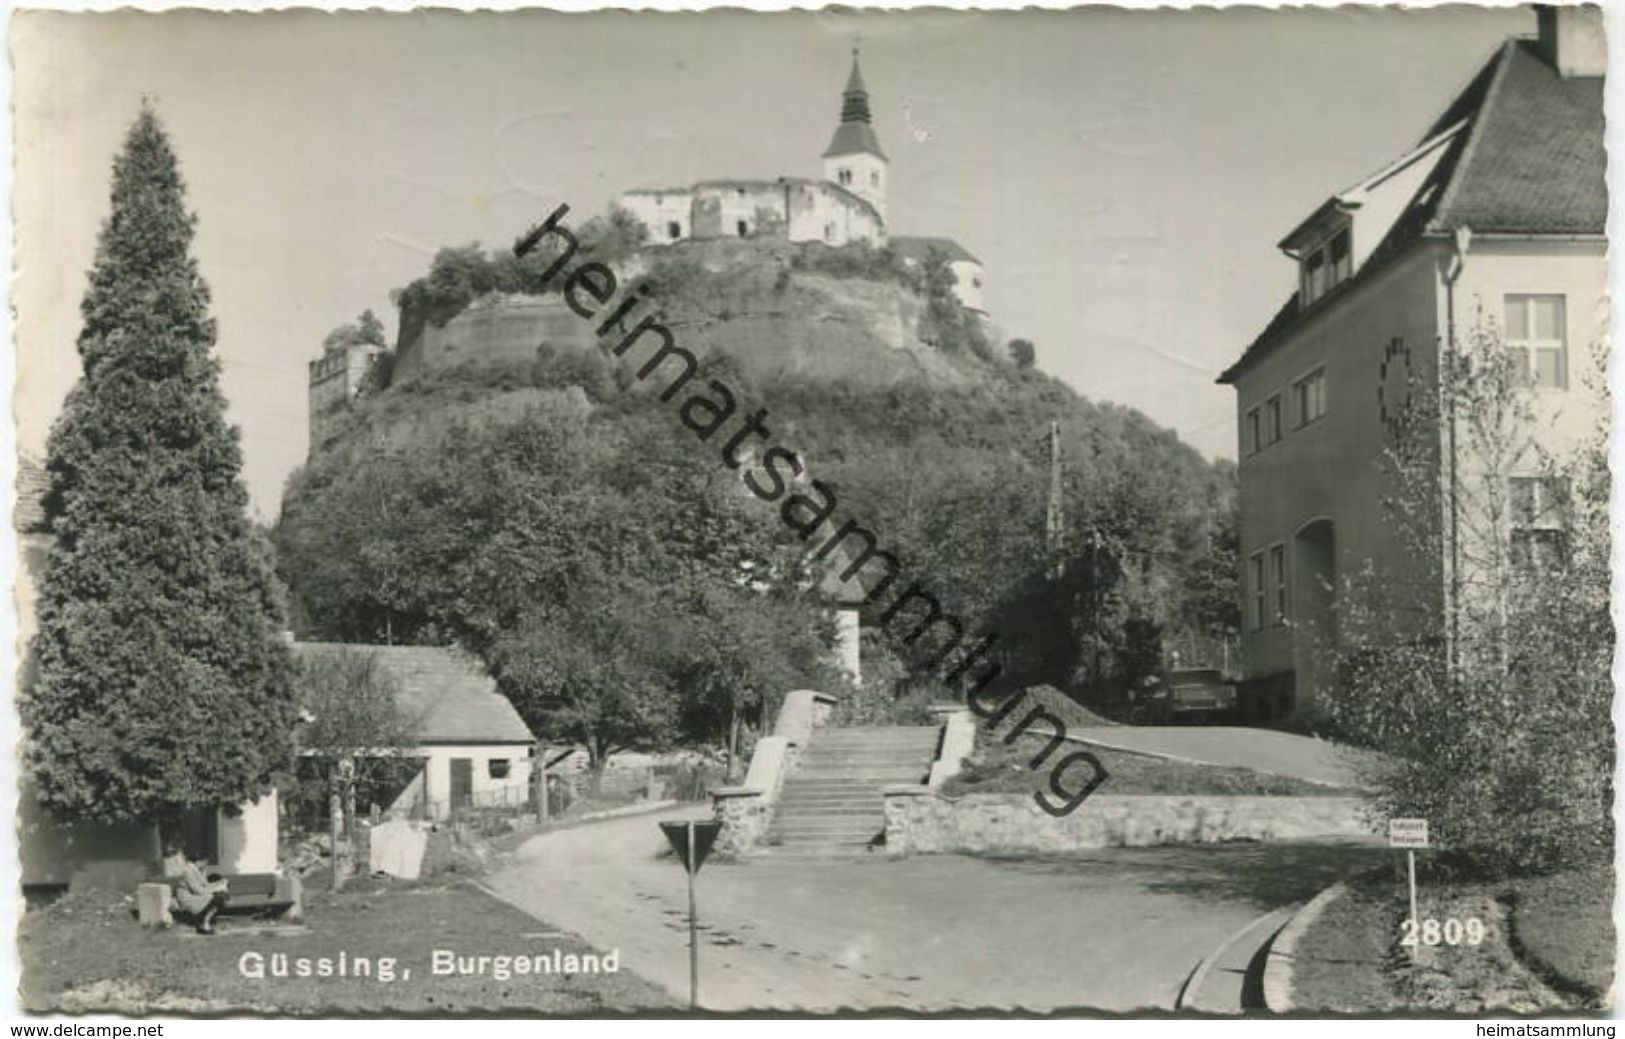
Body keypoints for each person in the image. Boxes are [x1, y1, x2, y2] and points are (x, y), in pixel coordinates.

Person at [163, 841, 229, 935]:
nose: (207, 863)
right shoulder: (188, 870)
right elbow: (197, 890)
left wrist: (220, 883)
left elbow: (205, 885)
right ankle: (203, 925)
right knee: (218, 897)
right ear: (200, 861)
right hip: (188, 898)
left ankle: (204, 922)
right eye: (206, 861)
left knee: (221, 895)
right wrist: (217, 889)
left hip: (195, 896)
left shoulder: (199, 869)